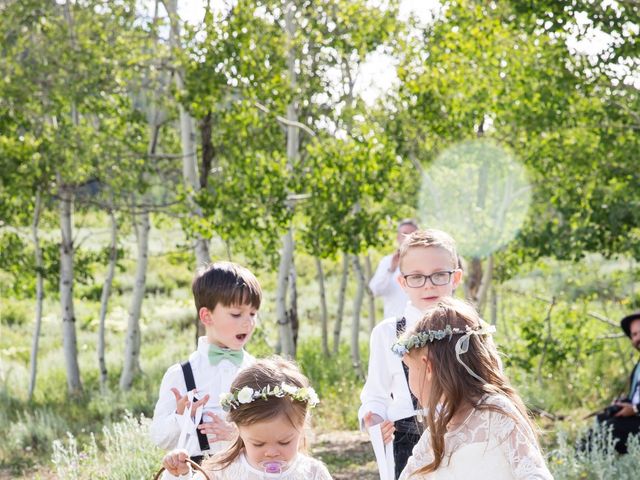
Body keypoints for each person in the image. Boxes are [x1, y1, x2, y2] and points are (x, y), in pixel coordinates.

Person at [393, 298, 553, 479]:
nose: (410, 379)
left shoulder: (496, 412)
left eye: (410, 369)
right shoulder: (438, 431)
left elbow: (535, 474)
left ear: (427, 367)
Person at [359, 229, 463, 479]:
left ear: (455, 278)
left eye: (439, 275)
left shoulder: (468, 330)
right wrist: (374, 420)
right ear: (402, 282)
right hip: (406, 443)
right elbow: (375, 395)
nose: (428, 285)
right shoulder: (387, 333)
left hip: (460, 439)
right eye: (416, 277)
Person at [150, 261, 262, 464]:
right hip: (196, 472)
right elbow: (160, 438)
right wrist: (180, 416)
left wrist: (239, 435)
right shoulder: (180, 375)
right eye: (236, 314)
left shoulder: (258, 372)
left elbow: (276, 432)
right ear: (206, 316)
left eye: (253, 313)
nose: (248, 322)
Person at [160, 357, 333, 480]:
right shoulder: (222, 471)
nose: (271, 452)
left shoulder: (313, 473)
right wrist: (181, 474)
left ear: (302, 426)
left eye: (284, 442)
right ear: (238, 429)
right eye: (258, 444)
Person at [589, 312, 640, 454]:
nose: (638, 338)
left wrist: (635, 409)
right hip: (635, 419)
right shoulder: (638, 367)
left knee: (611, 429)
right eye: (634, 334)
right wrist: (624, 402)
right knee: (602, 420)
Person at [369, 219, 419, 320]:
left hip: (421, 323)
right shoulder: (387, 261)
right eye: (404, 234)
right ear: (398, 237)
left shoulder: (427, 261)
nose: (408, 238)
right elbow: (375, 290)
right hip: (395, 324)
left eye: (412, 234)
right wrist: (391, 270)